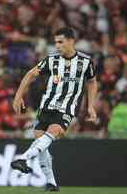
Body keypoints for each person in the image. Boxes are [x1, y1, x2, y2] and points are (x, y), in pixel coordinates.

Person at [10, 27, 98, 191]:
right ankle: (52, 183)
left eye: (60, 42)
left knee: (54, 132)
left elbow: (92, 82)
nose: (57, 46)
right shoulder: (51, 60)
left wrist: (90, 106)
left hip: (67, 108)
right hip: (46, 106)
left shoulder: (85, 62)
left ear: (71, 41)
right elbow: (30, 74)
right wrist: (18, 96)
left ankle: (23, 158)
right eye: (55, 42)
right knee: (40, 140)